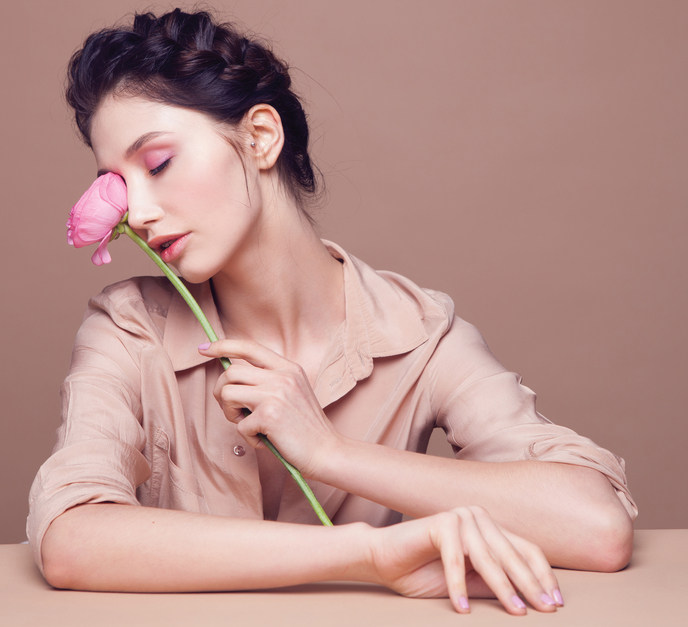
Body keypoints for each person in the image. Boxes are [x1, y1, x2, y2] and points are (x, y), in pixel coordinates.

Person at [28, 8, 636, 614]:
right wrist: (368, 555)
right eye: (118, 183)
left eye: (157, 164)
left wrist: (330, 452)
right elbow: (71, 540)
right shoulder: (131, 326)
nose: (138, 213)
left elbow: (595, 525)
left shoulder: (418, 333)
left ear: (261, 137)